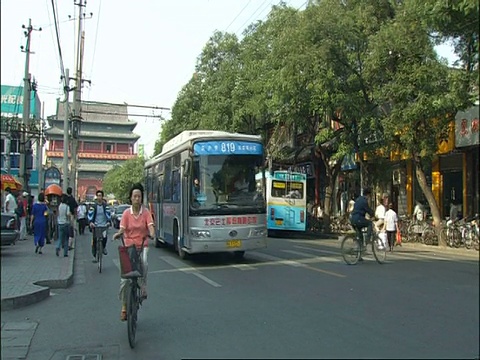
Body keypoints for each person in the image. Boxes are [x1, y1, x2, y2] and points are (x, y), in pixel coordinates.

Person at [113, 183, 155, 322]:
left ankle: (143, 287)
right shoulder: (126, 213)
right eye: (134, 196)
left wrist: (152, 233)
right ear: (130, 198)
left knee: (144, 263)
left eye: (139, 196)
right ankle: (124, 306)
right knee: (125, 279)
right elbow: (122, 229)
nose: (137, 198)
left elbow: (150, 226)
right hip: (129, 247)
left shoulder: (146, 212)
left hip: (142, 245)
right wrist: (118, 234)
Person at [88, 190, 112, 262]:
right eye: (98, 195)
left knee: (104, 238)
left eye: (100, 195)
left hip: (104, 225)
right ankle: (95, 255)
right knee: (95, 240)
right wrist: (91, 222)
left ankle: (103, 248)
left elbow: (108, 214)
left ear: (102, 197)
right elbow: (90, 215)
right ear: (96, 197)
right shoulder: (93, 206)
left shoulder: (105, 206)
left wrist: (108, 222)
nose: (99, 197)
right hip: (96, 225)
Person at [349, 188, 375, 253]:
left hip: (353, 220)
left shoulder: (358, 199)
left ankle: (359, 255)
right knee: (369, 224)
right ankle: (367, 241)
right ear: (368, 195)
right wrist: (373, 215)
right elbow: (368, 210)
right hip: (358, 219)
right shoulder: (364, 201)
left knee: (360, 235)